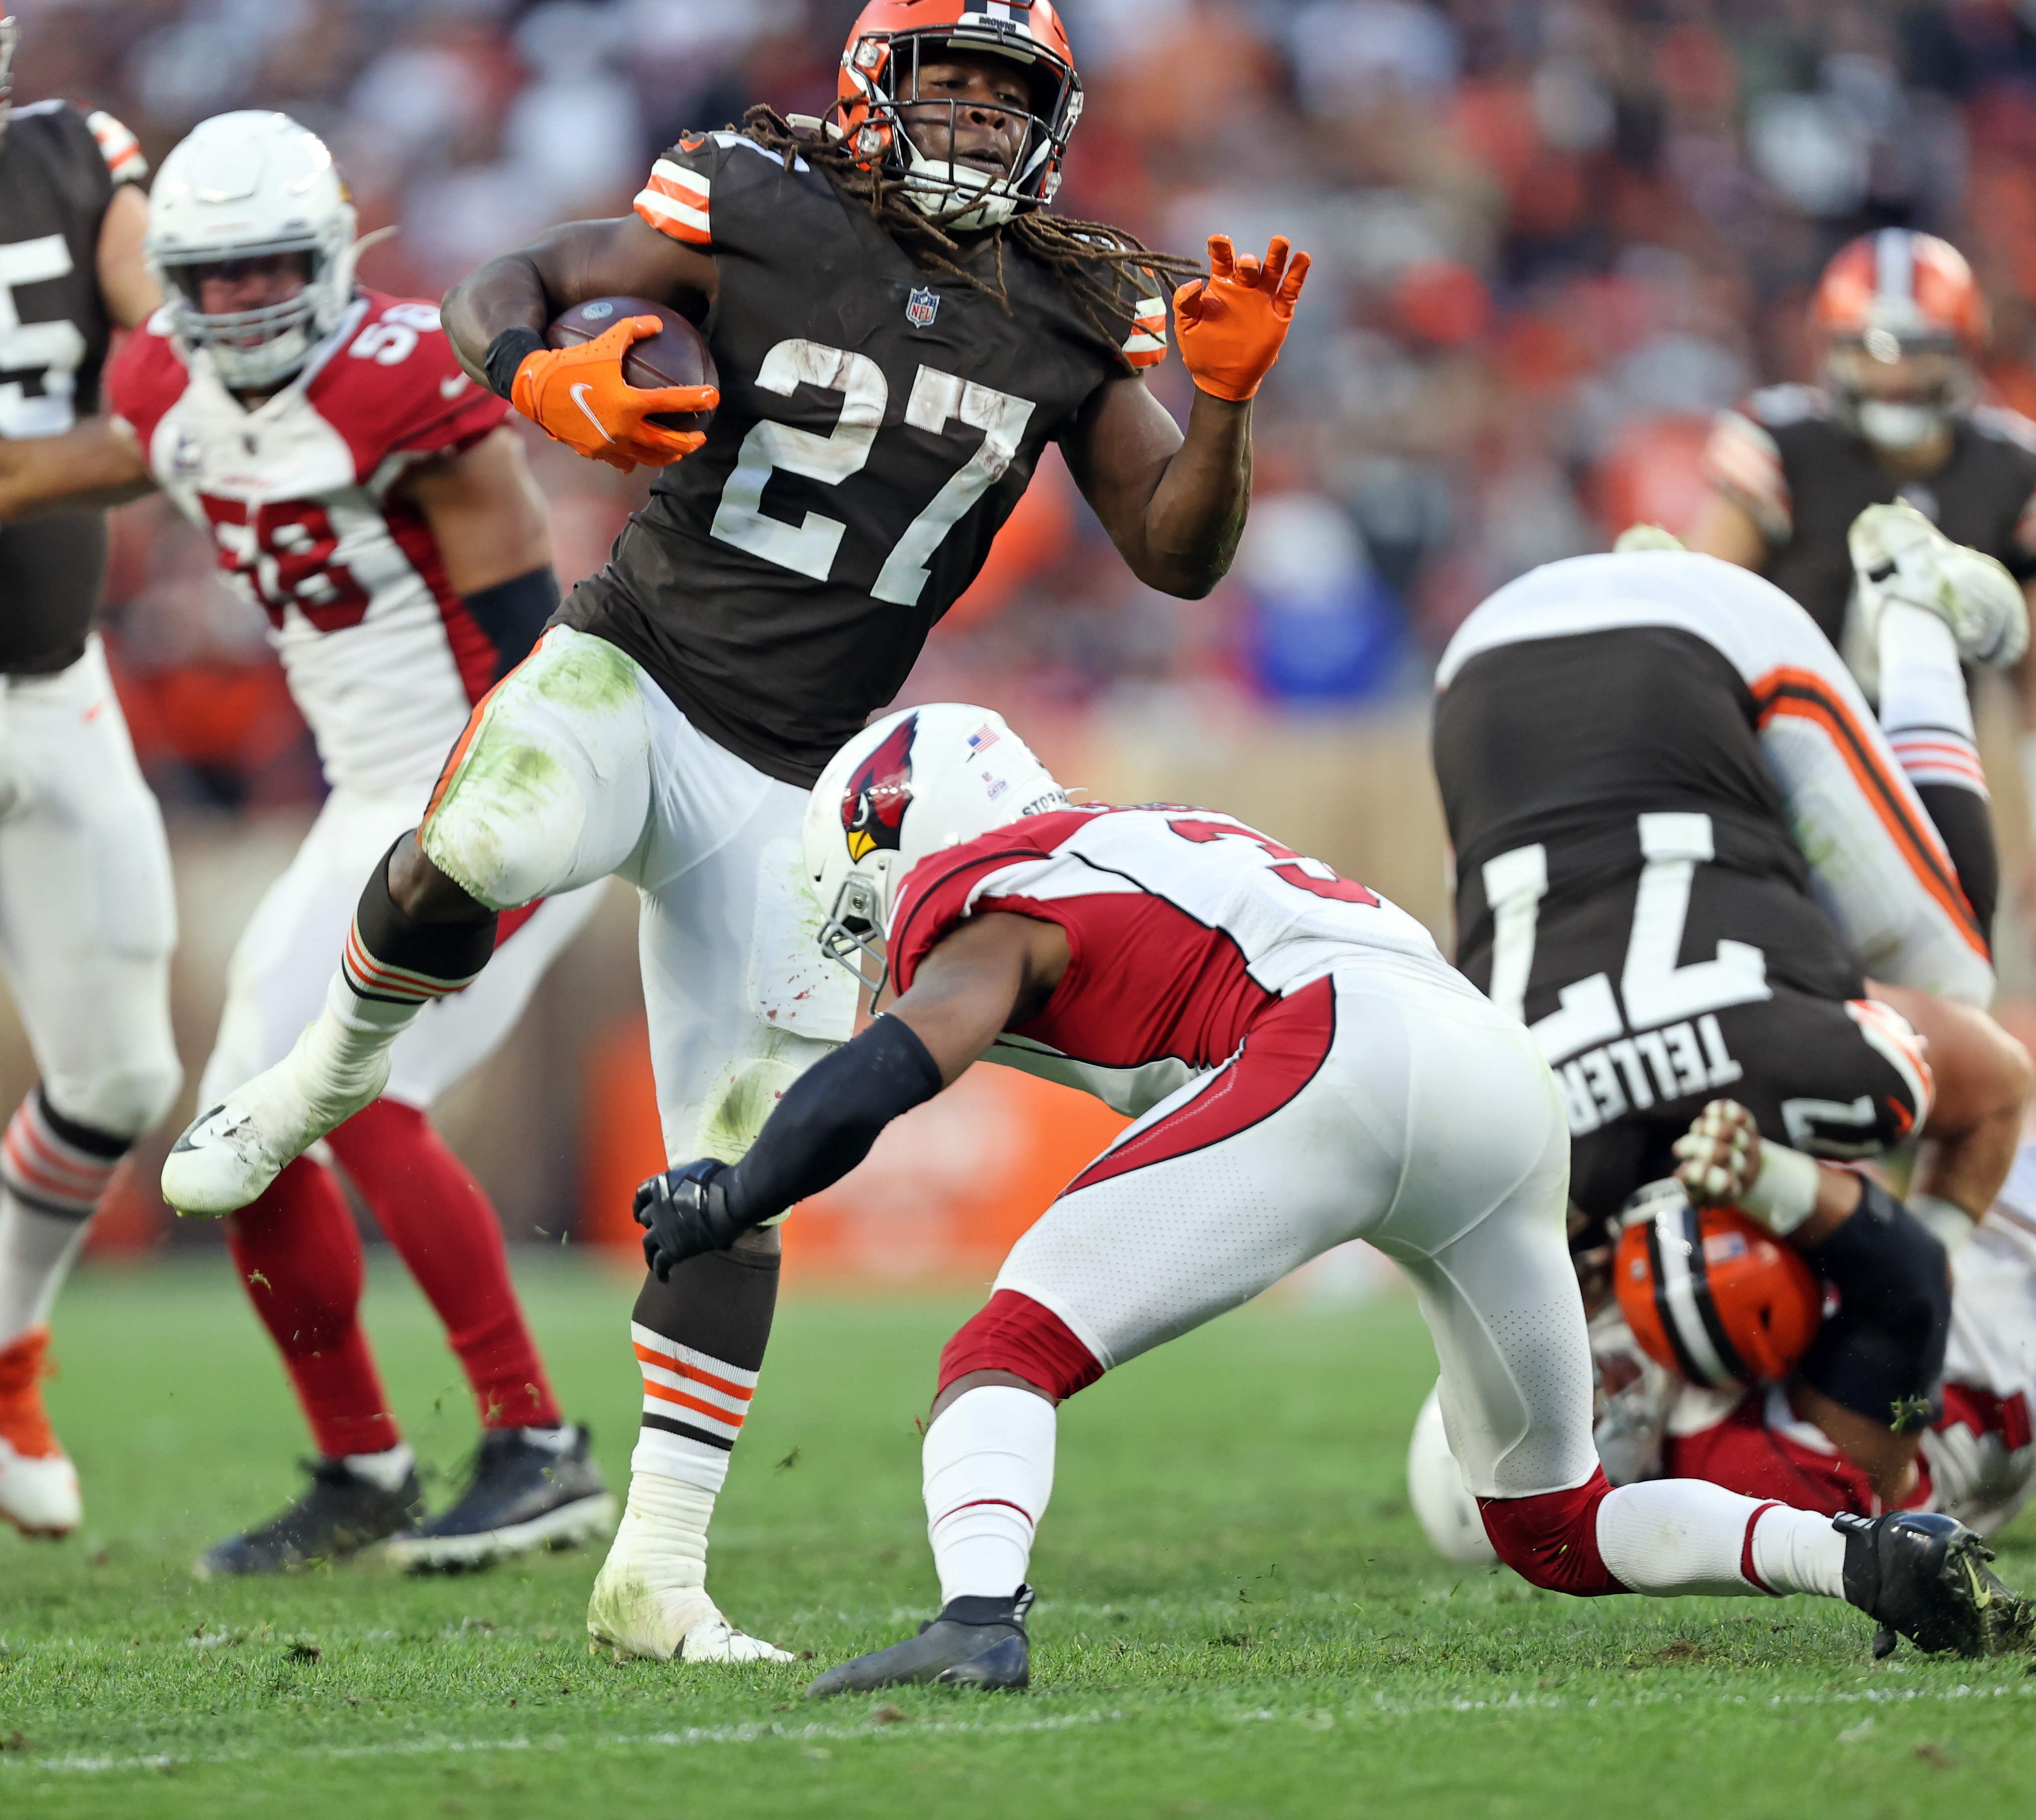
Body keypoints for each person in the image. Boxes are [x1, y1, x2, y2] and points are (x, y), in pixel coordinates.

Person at [159, 0, 1306, 1659]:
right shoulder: (760, 198)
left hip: (799, 778)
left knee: (741, 1169)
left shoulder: (1068, 303)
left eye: (1013, 97)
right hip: (635, 660)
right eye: (954, 85)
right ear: (872, 92)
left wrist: (1221, 410)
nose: (983, 121)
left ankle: (659, 1573)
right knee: (471, 849)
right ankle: (318, 1074)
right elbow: (514, 286)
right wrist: (546, 378)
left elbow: (1179, 557)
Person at [623, 702, 2030, 1695]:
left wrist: (738, 1185)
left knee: (1005, 1349)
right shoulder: (1137, 833)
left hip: (1339, 1051)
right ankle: (1865, 1556)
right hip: (1493, 1075)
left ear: (901, 837)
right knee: (1552, 1522)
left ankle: (978, 1616)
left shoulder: (991, 887)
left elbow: (899, 1060)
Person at [0, 111, 613, 1573]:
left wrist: (499, 827)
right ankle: (363, 1464)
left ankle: (536, 1444)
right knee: (240, 1139)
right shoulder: (164, 374)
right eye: (204, 279)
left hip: (503, 768)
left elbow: (537, 651)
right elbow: (97, 455)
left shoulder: (406, 383)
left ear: (331, 257)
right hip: (368, 797)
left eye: (265, 272)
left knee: (344, 1091)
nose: (233, 308)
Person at [1428, 537, 2033, 1513]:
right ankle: (1682, 566)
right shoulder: (1521, 1170)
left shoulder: (1819, 1076)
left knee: (1954, 975)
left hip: (1629, 642)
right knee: (1898, 956)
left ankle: (1910, 602)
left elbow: (1994, 1090)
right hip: (1483, 679)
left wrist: (1882, 1228)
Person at [0, 11, 184, 1541]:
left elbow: (180, 372)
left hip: (55, 687)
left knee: (125, 1072)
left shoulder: (68, 154)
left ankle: (3, 1359)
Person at [1688, 229, 2036, 940]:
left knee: (1949, 962)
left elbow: (2034, 676)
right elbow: (1701, 610)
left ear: (1964, 347)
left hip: (1925, 770)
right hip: (1782, 759)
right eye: (1870, 349)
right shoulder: (1783, 445)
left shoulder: (2009, 468)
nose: (1893, 375)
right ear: (1829, 349)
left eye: (1919, 348)